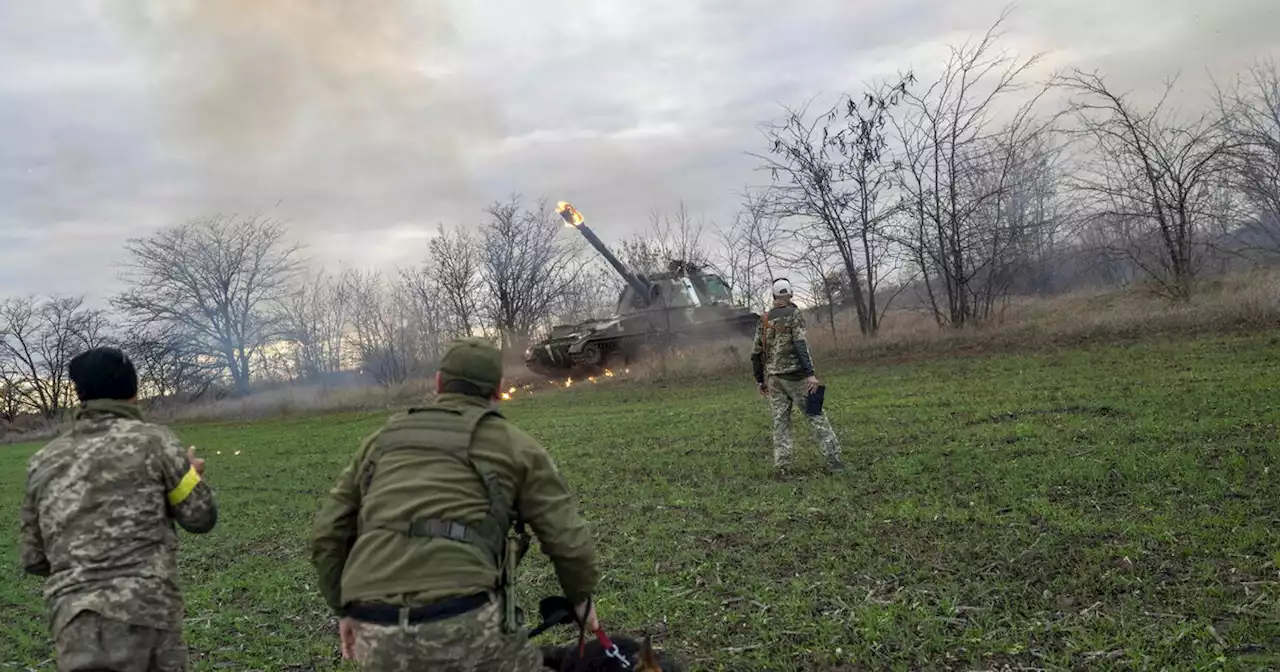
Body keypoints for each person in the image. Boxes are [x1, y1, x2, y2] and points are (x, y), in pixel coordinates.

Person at [310, 336, 601, 670]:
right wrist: (581, 599)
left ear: (438, 383)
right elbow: (566, 537)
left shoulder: (381, 441)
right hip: (463, 620)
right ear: (498, 390)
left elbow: (327, 532)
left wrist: (344, 609)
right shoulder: (517, 447)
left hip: (376, 628)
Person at [20, 346, 219, 671]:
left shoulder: (43, 461)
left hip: (74, 624)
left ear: (80, 395)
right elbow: (200, 518)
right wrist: (191, 476)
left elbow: (33, 559)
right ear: (134, 392)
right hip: (146, 613)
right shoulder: (154, 441)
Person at [751, 277, 844, 478]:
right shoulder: (794, 315)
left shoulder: (764, 319)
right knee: (816, 415)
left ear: (774, 296)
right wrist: (810, 374)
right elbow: (800, 345)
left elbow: (756, 353)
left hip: (774, 379)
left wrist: (760, 380)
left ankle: (782, 467)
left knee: (780, 423)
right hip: (797, 378)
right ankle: (834, 462)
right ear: (790, 294)